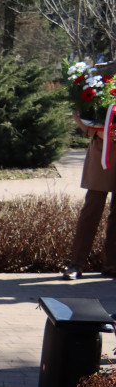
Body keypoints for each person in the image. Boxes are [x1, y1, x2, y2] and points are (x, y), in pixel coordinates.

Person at [62, 107, 116, 279]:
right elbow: (79, 109)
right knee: (91, 211)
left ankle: (112, 265)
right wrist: (95, 132)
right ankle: (76, 265)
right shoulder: (98, 80)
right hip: (102, 155)